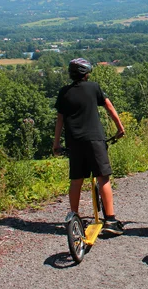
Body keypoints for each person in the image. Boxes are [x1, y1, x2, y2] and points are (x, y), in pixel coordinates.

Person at [53, 58, 126, 235]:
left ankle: (74, 218)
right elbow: (109, 107)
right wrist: (120, 128)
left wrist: (56, 143)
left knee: (76, 180)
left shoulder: (64, 92)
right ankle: (110, 220)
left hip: (74, 141)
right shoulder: (94, 88)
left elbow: (60, 120)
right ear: (86, 73)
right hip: (95, 139)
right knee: (103, 178)